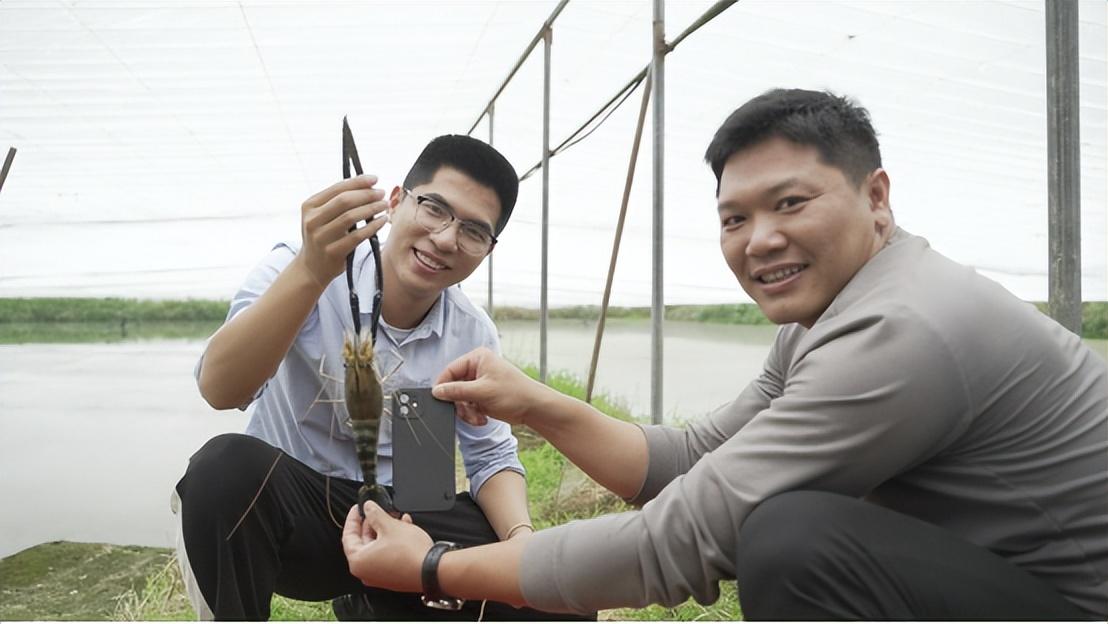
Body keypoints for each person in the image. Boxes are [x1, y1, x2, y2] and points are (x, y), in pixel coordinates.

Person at [340, 89, 1108, 620]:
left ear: (877, 197)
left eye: (791, 203)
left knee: (796, 542)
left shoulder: (903, 330)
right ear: (397, 203)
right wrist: (537, 400)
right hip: (1003, 579)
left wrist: (432, 567)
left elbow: (673, 543)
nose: (760, 239)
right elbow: (695, 458)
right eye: (735, 217)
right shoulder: (826, 316)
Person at [173, 134, 583, 621]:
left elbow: (490, 453)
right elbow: (220, 389)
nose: (447, 238)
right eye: (434, 208)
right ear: (395, 202)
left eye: (474, 231)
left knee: (558, 591)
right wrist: (310, 270)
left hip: (407, 517)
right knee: (223, 469)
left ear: (487, 249)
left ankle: (379, 601)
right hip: (299, 511)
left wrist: (522, 543)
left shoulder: (471, 331)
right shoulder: (301, 263)